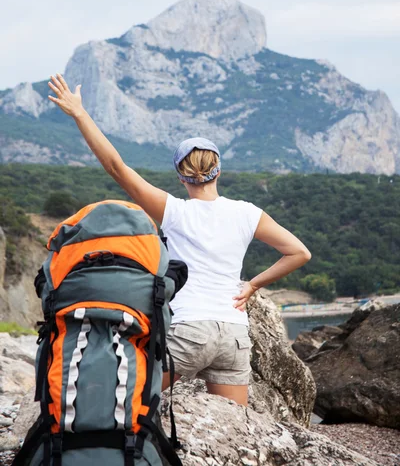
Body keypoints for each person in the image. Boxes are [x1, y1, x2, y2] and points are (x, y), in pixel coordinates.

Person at [48, 73, 311, 407]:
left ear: (180, 176)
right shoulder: (248, 213)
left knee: (126, 401)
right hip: (233, 333)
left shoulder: (174, 211)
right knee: (237, 429)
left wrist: (80, 114)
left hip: (189, 329)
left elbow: (116, 166)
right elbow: (299, 252)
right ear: (219, 171)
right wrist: (253, 285)